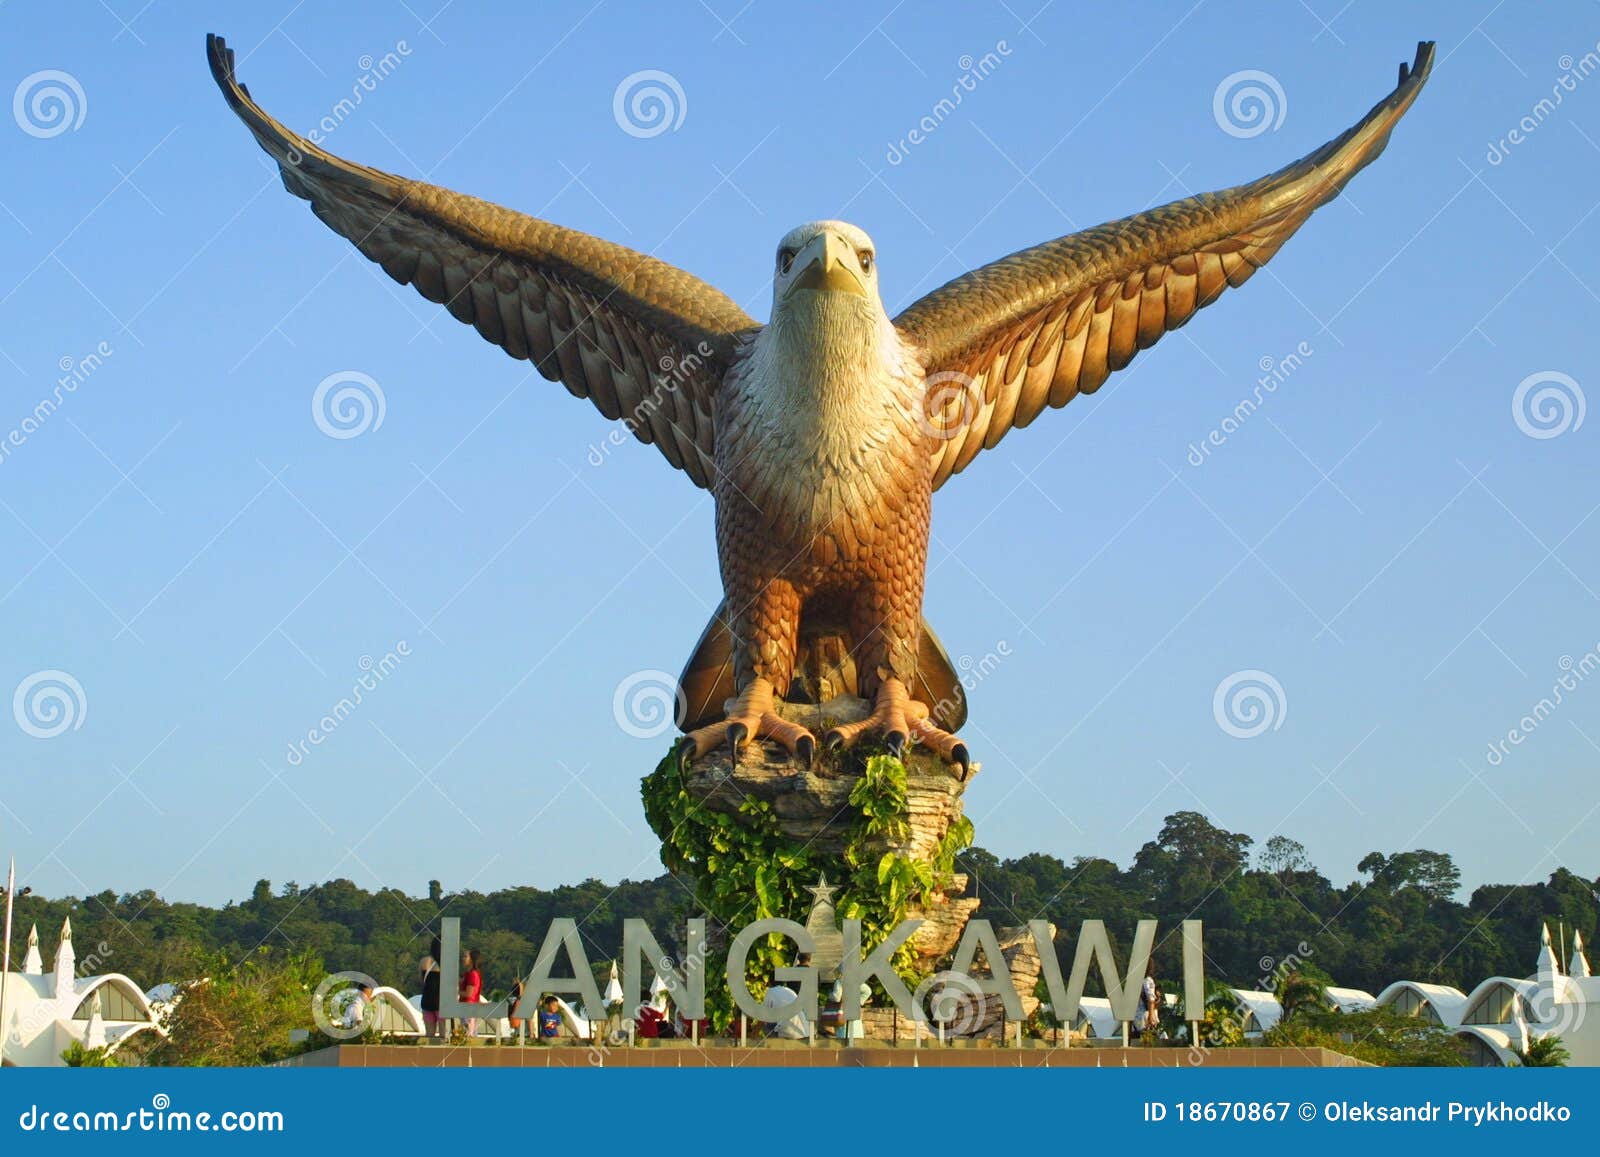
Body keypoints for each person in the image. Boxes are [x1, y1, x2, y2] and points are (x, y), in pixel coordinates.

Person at [420, 938, 443, 1041]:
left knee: (429, 1035)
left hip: (427, 1001)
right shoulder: (446, 963)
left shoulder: (424, 961)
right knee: (443, 1035)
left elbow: (421, 981)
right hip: (441, 1003)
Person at [459, 949, 483, 1037]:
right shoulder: (469, 973)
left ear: (472, 960)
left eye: (465, 956)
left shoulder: (472, 974)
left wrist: (456, 991)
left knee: (468, 1034)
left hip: (468, 1007)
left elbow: (469, 994)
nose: (463, 958)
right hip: (468, 1007)